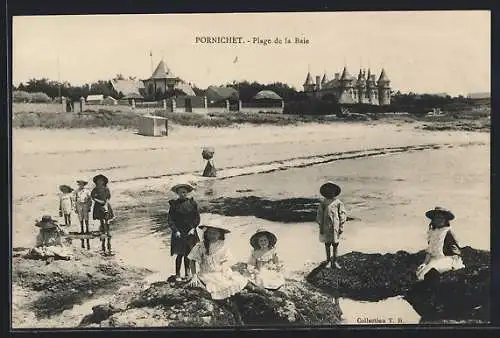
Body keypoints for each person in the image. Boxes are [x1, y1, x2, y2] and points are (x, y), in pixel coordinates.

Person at [186, 223, 248, 300]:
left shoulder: (222, 245)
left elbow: (226, 260)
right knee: (214, 287)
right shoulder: (201, 245)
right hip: (207, 274)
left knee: (234, 282)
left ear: (220, 234)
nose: (212, 235)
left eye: (215, 233)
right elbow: (192, 260)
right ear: (206, 233)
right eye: (210, 233)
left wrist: (225, 270)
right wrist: (194, 275)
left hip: (221, 272)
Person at [416, 207, 465, 281]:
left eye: (442, 218)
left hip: (447, 258)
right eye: (437, 218)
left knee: (431, 273)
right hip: (434, 259)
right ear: (433, 220)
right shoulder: (432, 233)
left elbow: (456, 250)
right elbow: (430, 250)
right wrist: (425, 263)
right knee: (420, 272)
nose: (439, 220)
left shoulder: (447, 232)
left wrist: (455, 259)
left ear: (445, 220)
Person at [168, 183, 201, 281]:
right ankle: (177, 274)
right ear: (177, 193)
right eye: (180, 192)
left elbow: (197, 217)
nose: (183, 194)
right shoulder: (174, 205)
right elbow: (170, 220)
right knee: (180, 254)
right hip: (179, 232)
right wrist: (175, 231)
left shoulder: (192, 203)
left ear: (187, 192)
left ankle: (187, 272)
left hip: (190, 231)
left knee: (189, 253)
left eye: (184, 192)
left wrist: (193, 228)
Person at [316, 181, 347, 269]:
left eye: (332, 191)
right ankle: (328, 261)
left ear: (335, 192)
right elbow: (319, 215)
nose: (330, 192)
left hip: (335, 226)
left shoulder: (338, 203)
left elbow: (342, 215)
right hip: (326, 226)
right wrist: (320, 226)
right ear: (325, 192)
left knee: (335, 244)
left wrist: (341, 226)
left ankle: (335, 261)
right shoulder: (323, 203)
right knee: (327, 244)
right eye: (328, 191)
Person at [91, 174, 115, 256]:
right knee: (101, 219)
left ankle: (107, 232)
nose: (100, 182)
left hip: (105, 204)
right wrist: (98, 201)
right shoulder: (95, 189)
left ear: (104, 181)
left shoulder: (106, 188)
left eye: (101, 180)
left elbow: (109, 196)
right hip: (98, 205)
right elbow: (92, 197)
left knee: (107, 218)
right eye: (98, 181)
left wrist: (106, 202)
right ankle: (103, 231)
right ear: (96, 182)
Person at [74, 180, 92, 249]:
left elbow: (90, 199)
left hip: (85, 205)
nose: (81, 185)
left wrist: (89, 206)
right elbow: (74, 200)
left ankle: (87, 230)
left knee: (86, 218)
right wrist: (75, 208)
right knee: (80, 218)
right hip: (79, 205)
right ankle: (82, 230)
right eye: (80, 184)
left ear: (84, 185)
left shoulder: (87, 191)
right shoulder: (76, 191)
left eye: (82, 184)